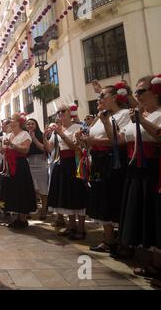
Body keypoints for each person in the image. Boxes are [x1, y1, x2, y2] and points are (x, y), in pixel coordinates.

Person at [116, 75, 161, 282]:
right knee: (143, 211)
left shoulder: (157, 115)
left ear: (155, 91)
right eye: (136, 92)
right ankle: (151, 258)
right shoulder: (142, 114)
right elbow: (120, 140)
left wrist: (141, 120)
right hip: (135, 169)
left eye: (141, 91)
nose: (137, 96)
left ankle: (157, 263)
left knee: (154, 212)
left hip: (152, 168)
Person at [78, 83, 130, 253]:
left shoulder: (123, 114)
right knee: (102, 197)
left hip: (114, 160)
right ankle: (108, 239)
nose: (99, 99)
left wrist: (93, 141)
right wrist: (83, 139)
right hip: (98, 160)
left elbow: (119, 140)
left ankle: (124, 241)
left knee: (115, 197)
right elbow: (91, 138)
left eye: (103, 96)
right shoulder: (100, 117)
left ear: (115, 97)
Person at [44, 104, 88, 240]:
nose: (60, 113)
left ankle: (81, 228)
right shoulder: (58, 130)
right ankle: (71, 226)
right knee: (67, 195)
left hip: (74, 164)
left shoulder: (78, 128)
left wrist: (61, 134)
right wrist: (44, 136)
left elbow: (77, 147)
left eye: (63, 111)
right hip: (62, 164)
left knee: (77, 194)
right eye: (59, 112)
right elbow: (49, 148)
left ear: (70, 113)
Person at [0, 113, 37, 229]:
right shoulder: (9, 135)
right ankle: (17, 217)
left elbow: (25, 150)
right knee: (14, 190)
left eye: (12, 120)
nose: (10, 121)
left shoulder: (24, 134)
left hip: (20, 165)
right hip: (11, 166)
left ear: (18, 122)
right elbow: (3, 151)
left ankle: (23, 218)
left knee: (22, 189)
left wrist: (11, 145)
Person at [26, 118, 49, 220]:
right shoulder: (25, 136)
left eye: (32, 124)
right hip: (30, 164)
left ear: (36, 125)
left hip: (41, 163)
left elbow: (45, 148)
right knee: (32, 189)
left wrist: (34, 139)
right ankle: (32, 209)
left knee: (43, 189)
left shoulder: (41, 135)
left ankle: (44, 210)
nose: (30, 126)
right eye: (28, 124)